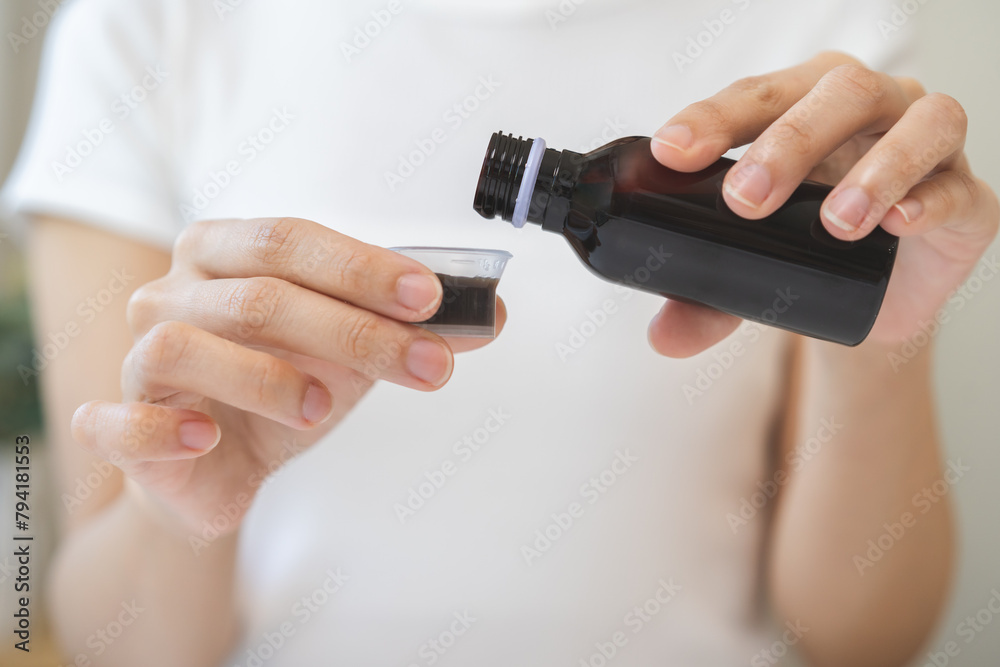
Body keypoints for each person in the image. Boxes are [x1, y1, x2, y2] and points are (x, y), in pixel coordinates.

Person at [2, 0, 997, 665]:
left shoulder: (820, 30)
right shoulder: (150, 24)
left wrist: (874, 338)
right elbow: (103, 634)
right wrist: (182, 505)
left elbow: (869, 638)